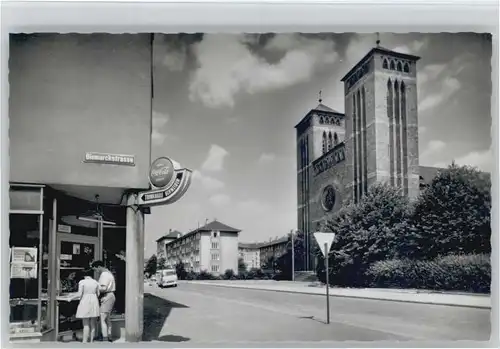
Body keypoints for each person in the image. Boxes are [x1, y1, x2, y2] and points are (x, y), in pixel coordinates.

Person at [91, 260, 116, 342]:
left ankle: (105, 339)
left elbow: (103, 288)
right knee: (107, 318)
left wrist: (94, 288)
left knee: (103, 319)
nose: (96, 272)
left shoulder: (104, 275)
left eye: (95, 269)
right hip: (110, 295)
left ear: (99, 267)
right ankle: (109, 336)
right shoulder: (108, 273)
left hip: (107, 296)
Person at [75, 269, 100, 343]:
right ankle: (92, 340)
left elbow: (79, 294)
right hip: (94, 301)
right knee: (93, 323)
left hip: (85, 300)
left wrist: (71, 296)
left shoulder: (82, 282)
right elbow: (98, 294)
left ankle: (84, 340)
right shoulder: (96, 282)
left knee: (85, 323)